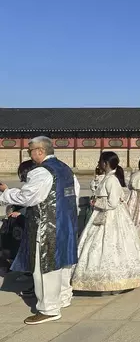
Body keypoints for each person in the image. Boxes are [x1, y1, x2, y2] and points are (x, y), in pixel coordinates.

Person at [0, 136, 79, 325]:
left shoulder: (41, 172)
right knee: (63, 262)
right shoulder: (65, 168)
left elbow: (28, 197)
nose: (29, 154)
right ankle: (63, 297)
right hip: (66, 221)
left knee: (45, 268)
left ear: (40, 151)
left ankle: (49, 309)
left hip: (47, 224)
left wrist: (6, 193)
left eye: (30, 151)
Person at [72, 152, 140, 293]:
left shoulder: (111, 180)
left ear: (105, 163)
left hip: (110, 216)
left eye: (100, 161)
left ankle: (115, 279)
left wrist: (96, 202)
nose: (99, 164)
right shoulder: (107, 178)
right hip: (102, 214)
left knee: (110, 244)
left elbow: (112, 202)